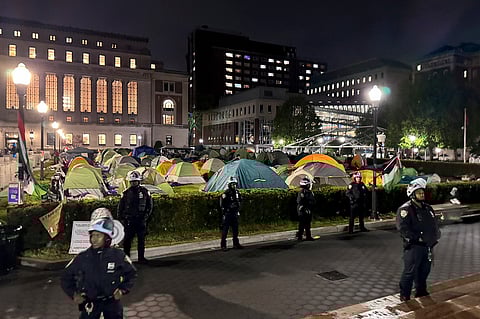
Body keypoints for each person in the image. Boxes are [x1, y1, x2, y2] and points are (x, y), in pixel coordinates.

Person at [61, 209, 137, 319]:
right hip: (90, 304)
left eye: (98, 236)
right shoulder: (82, 257)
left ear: (107, 238)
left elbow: (131, 273)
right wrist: (74, 294)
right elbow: (65, 277)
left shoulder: (118, 255)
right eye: (92, 235)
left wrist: (122, 289)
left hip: (112, 304)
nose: (94, 240)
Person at [397, 178, 441, 301]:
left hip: (427, 246)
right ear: (412, 194)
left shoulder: (427, 208)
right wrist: (417, 238)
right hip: (414, 247)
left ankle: (421, 291)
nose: (422, 194)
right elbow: (403, 229)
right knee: (410, 272)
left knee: (424, 270)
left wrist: (436, 234)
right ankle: (405, 295)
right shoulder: (405, 209)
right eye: (418, 192)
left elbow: (432, 223)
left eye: (422, 192)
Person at [117, 170, 153, 263]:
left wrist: (145, 218)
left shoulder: (145, 192)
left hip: (141, 220)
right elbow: (120, 208)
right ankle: (127, 259)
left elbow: (149, 206)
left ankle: (141, 258)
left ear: (139, 181)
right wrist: (122, 219)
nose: (134, 183)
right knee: (127, 241)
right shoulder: (125, 193)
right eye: (132, 182)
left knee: (141, 241)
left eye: (135, 181)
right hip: (129, 221)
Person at [220, 176, 243, 251]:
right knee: (225, 230)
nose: (234, 186)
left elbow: (240, 200)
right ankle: (223, 245)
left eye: (235, 184)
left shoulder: (236, 192)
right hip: (228, 213)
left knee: (235, 229)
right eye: (232, 184)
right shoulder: (226, 193)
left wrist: (238, 207)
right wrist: (226, 210)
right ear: (229, 185)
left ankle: (236, 244)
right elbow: (222, 204)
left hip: (234, 213)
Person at [296, 177, 315, 241]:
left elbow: (312, 200)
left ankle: (308, 236)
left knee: (308, 224)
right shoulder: (302, 192)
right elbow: (300, 201)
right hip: (303, 210)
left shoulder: (309, 192)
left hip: (308, 209)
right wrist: (305, 208)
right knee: (302, 224)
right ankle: (300, 236)